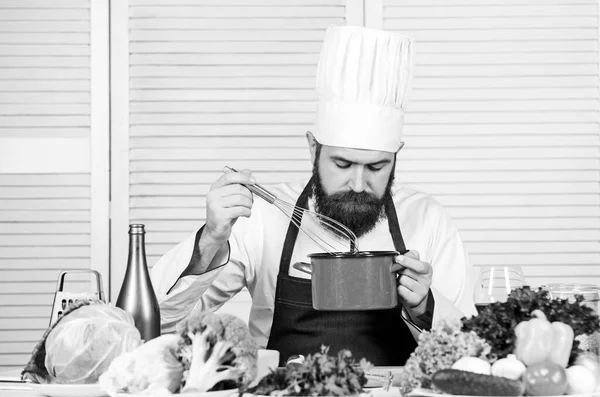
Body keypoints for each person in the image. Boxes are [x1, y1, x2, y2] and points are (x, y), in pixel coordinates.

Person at [151, 26, 476, 366]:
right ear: (312, 149)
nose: (359, 183)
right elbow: (157, 325)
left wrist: (425, 307)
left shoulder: (426, 217)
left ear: (397, 156)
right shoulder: (262, 216)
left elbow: (473, 352)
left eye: (377, 167)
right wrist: (210, 241)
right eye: (343, 163)